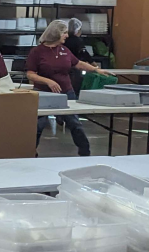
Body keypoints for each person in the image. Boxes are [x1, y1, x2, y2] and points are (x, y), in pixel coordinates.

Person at [27, 19, 100, 156]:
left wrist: (96, 70)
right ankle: (29, 152)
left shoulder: (65, 50)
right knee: (38, 126)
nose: (67, 35)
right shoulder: (37, 52)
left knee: (75, 123)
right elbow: (30, 74)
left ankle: (85, 152)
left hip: (66, 93)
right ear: (55, 33)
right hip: (43, 94)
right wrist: (48, 81)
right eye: (64, 32)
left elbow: (78, 63)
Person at [64, 17, 90, 93]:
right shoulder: (78, 41)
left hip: (66, 68)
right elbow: (85, 54)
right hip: (76, 68)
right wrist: (94, 66)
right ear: (78, 30)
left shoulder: (65, 40)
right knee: (75, 88)